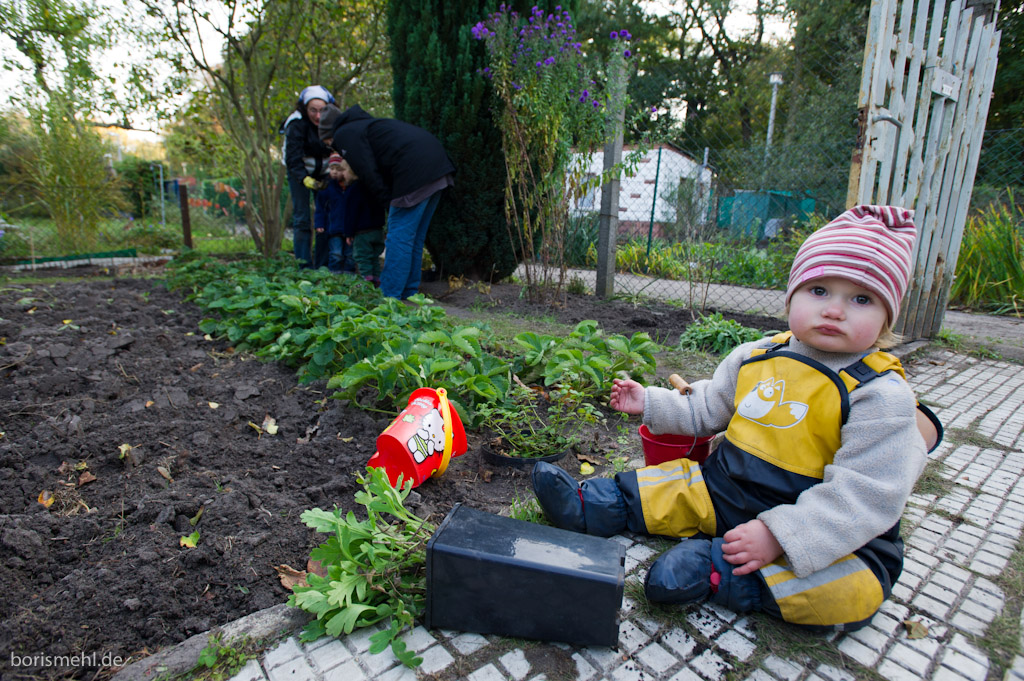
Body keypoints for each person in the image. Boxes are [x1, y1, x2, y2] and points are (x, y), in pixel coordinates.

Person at [532, 205, 944, 632]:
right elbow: (707, 406)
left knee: (850, 589)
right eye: (819, 290)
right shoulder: (757, 355)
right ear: (792, 295)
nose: (835, 310)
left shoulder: (880, 394)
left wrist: (779, 535)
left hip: (820, 530)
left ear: (887, 316)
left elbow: (864, 496)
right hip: (728, 491)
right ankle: (594, 504)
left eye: (861, 299)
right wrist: (651, 403)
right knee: (675, 483)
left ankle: (716, 572)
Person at [323, 104, 455, 299]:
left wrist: (387, 203)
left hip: (414, 170)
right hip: (438, 166)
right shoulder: (365, 125)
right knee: (413, 237)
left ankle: (390, 297)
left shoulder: (344, 133)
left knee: (398, 236)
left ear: (329, 134)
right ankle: (409, 293)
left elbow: (368, 173)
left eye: (328, 143)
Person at [281, 85, 334, 268]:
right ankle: (303, 266)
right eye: (313, 110)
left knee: (326, 217)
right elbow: (292, 158)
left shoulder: (333, 121)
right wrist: (304, 178)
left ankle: (322, 266)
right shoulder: (295, 123)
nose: (318, 116)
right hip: (299, 172)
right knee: (302, 218)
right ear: (305, 108)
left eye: (322, 110)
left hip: (325, 173)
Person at [314, 154, 386, 276]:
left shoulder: (353, 188)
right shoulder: (328, 188)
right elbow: (321, 208)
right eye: (332, 169)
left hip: (353, 230)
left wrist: (350, 231)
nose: (335, 172)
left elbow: (353, 212)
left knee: (351, 255)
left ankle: (351, 276)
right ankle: (335, 276)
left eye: (339, 169)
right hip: (335, 228)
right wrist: (319, 223)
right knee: (336, 253)